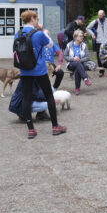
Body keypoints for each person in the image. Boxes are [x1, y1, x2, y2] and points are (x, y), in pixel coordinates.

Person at [15, 10, 66, 139]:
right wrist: (42, 30)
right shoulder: (38, 34)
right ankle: (55, 127)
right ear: (32, 19)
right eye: (37, 19)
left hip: (24, 70)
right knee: (49, 96)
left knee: (27, 98)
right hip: (39, 70)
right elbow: (50, 44)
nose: (37, 21)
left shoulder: (18, 34)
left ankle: (31, 129)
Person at [64, 29, 92, 95]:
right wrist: (73, 59)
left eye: (82, 36)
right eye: (80, 36)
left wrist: (80, 60)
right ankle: (85, 79)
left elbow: (88, 57)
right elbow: (65, 56)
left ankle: (77, 88)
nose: (82, 37)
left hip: (81, 64)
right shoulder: (69, 45)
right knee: (77, 64)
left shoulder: (84, 45)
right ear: (76, 37)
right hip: (71, 64)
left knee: (77, 67)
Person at [87, 10, 107, 77]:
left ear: (104, 14)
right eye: (99, 15)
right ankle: (101, 71)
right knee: (99, 56)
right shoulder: (96, 21)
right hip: (99, 41)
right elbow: (88, 28)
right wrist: (93, 34)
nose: (100, 16)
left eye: (101, 15)